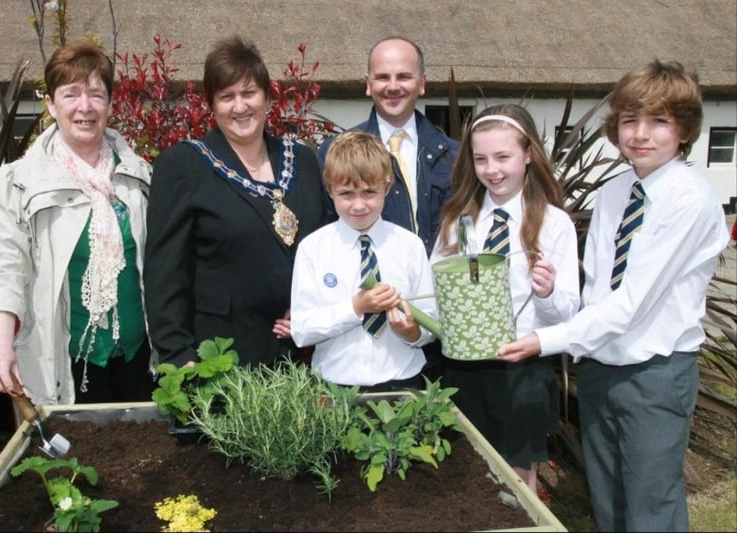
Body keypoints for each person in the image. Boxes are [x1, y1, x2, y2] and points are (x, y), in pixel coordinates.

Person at [499, 60, 730, 531]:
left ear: (684, 130)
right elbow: (597, 292)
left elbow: (631, 304)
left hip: (655, 374)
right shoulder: (613, 192)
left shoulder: (691, 199)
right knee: (608, 501)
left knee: (651, 507)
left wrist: (546, 341)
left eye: (659, 122)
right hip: (601, 369)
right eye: (630, 120)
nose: (640, 134)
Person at [0, 42, 155, 405]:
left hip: (140, 361)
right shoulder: (15, 184)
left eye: (96, 95)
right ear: (52, 105)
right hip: (60, 364)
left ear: (109, 105)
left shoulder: (140, 176)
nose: (84, 107)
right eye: (71, 94)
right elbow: (3, 267)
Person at [143, 36, 325, 369]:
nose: (240, 107)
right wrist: (177, 353)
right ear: (211, 105)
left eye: (249, 93)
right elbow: (164, 272)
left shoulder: (303, 160)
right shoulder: (183, 166)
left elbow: (326, 247)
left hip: (299, 354)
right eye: (226, 97)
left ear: (268, 97)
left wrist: (315, 305)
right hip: (220, 356)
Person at [430, 104, 580, 493]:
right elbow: (438, 292)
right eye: (481, 159)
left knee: (517, 474)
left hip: (522, 369)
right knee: (469, 471)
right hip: (467, 366)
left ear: (528, 154)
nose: (492, 169)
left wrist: (545, 293)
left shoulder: (552, 223)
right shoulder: (459, 219)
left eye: (503, 157)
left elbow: (568, 313)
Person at [317, 36, 459, 384]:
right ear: (368, 84)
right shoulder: (333, 153)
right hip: (364, 338)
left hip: (438, 326)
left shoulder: (455, 156)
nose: (392, 86)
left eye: (404, 77)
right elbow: (324, 236)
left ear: (422, 83)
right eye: (382, 77)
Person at [291, 131, 438, 392]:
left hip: (403, 381)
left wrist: (412, 333)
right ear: (330, 191)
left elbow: (430, 318)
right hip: (335, 386)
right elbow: (301, 331)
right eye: (346, 193)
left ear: (387, 187)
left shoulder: (409, 246)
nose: (359, 205)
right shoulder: (313, 249)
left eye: (370, 192)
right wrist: (356, 308)